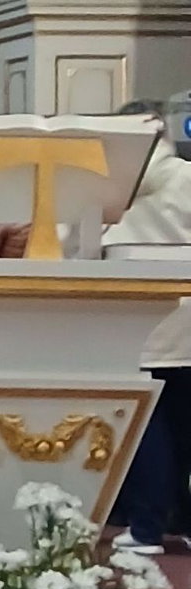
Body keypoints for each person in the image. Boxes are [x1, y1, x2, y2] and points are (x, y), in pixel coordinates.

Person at [106, 137, 191, 555]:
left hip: (135, 312)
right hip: (189, 310)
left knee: (145, 423)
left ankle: (147, 528)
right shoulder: (188, 177)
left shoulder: (109, 185)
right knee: (184, 425)